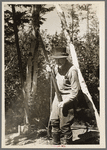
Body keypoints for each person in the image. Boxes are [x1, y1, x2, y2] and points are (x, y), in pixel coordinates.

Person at [47, 47, 80, 145]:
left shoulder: (72, 70)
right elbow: (53, 78)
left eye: (60, 59)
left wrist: (65, 102)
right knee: (54, 122)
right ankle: (55, 144)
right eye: (56, 59)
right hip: (57, 97)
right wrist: (49, 72)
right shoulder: (56, 67)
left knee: (65, 126)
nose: (57, 61)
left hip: (68, 98)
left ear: (65, 58)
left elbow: (75, 91)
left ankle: (68, 145)